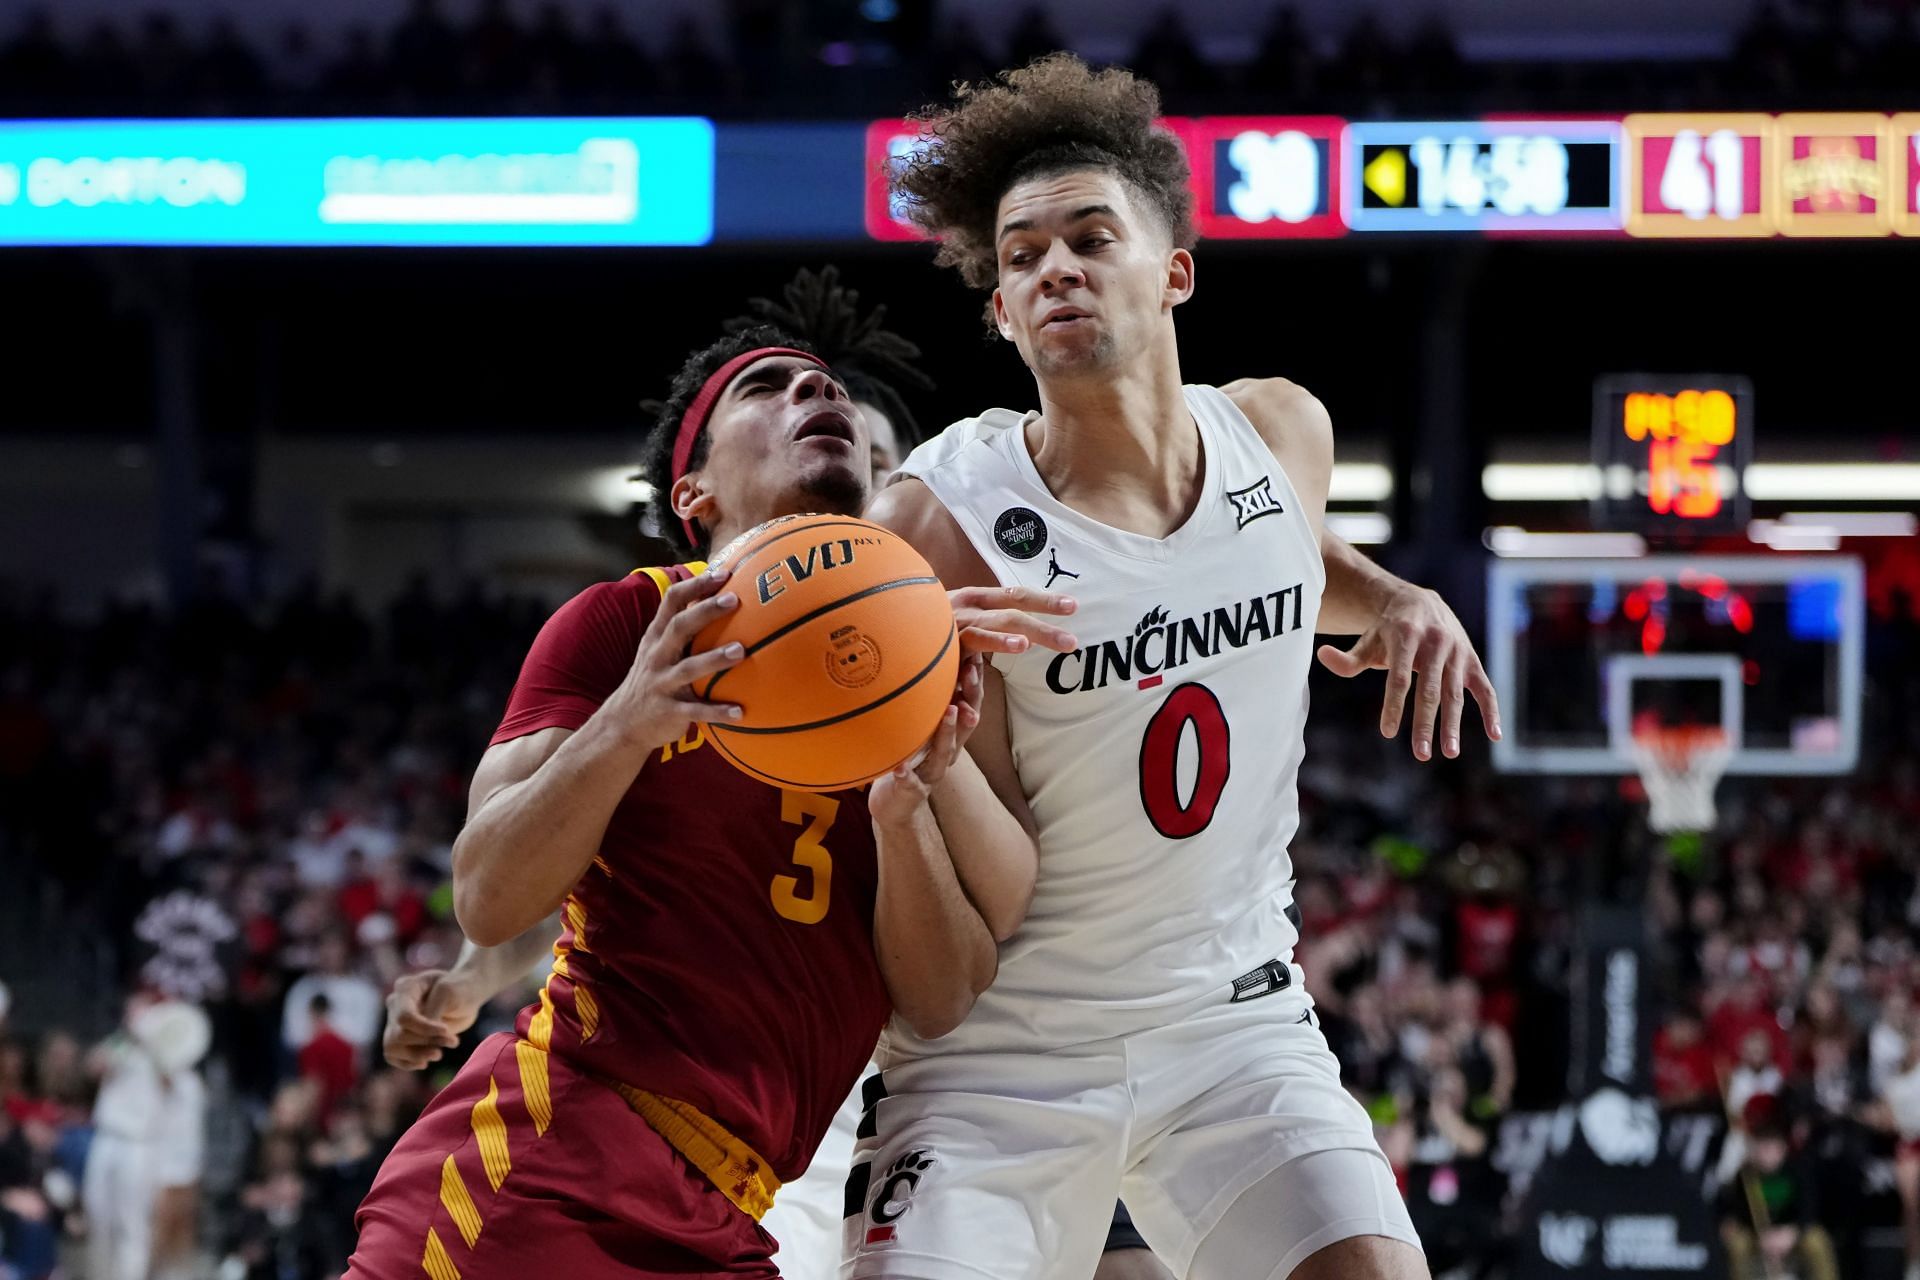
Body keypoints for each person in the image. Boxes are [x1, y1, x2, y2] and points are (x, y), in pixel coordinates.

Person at [380, 275, 1172, 1280]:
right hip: (560, 1151)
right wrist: (627, 723)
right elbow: (495, 898)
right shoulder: (627, 621)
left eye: (828, 387)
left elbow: (946, 991)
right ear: (693, 495)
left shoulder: (929, 668)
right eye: (769, 387)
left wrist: (902, 812)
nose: (817, 395)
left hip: (737, 1196)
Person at [855, 53, 1500, 1280]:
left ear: (1176, 272)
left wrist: (1405, 597)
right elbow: (968, 900)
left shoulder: (1279, 432)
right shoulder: (936, 521)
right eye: (1023, 255)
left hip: (1234, 1023)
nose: (1055, 267)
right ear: (998, 310)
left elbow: (1297, 560)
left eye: (1091, 236)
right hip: (1005, 1052)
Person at [82, 999, 210, 1280]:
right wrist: (126, 1041)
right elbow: (93, 1067)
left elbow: (170, 1079)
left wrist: (153, 1043)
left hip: (139, 1145)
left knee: (132, 1224)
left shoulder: (166, 1053)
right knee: (97, 1213)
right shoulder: (119, 1045)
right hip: (106, 1137)